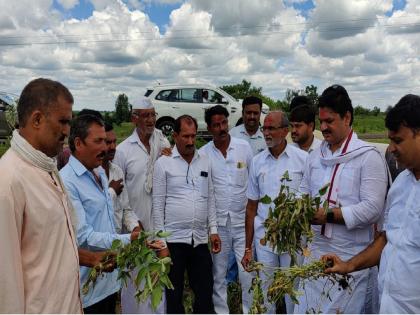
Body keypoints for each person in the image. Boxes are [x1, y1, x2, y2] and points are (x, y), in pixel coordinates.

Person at [293, 85, 388, 314]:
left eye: (330, 121)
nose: (323, 127)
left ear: (347, 117)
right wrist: (296, 210)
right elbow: (302, 192)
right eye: (321, 120)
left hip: (351, 257)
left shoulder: (368, 157)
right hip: (315, 253)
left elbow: (373, 208)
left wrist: (327, 216)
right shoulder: (316, 157)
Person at [322, 94, 420, 313]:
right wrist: (349, 265)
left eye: (398, 141)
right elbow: (387, 238)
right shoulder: (400, 184)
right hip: (389, 305)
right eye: (390, 139)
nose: (390, 148)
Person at [0, 78, 82, 313]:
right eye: (63, 122)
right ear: (37, 119)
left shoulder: (46, 167)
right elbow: (5, 285)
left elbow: (51, 250)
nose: (67, 131)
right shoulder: (9, 180)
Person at [60, 114, 140, 313]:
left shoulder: (100, 172)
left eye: (105, 141)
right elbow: (83, 237)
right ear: (78, 143)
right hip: (86, 288)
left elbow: (108, 220)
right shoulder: (67, 182)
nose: (105, 148)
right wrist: (129, 239)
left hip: (108, 280)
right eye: (99, 141)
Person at [153, 115, 221, 314]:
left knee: (204, 292)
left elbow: (210, 198)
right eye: (185, 136)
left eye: (193, 136)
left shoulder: (205, 162)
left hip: (199, 240)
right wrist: (161, 244)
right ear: (175, 136)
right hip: (173, 241)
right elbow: (157, 206)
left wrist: (214, 230)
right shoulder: (163, 164)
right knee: (174, 296)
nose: (191, 141)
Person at [241, 111, 308, 314]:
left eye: (271, 128)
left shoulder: (303, 160)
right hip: (265, 239)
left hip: (293, 240)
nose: (266, 133)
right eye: (265, 128)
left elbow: (309, 203)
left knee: (292, 292)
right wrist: (247, 248)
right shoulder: (257, 161)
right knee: (267, 290)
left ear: (285, 131)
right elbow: (251, 207)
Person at [113, 97, 170, 313]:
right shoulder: (123, 151)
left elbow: (169, 162)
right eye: (145, 115)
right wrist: (132, 226)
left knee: (158, 281)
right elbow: (119, 196)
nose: (151, 120)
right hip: (135, 229)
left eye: (153, 115)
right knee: (134, 286)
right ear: (134, 118)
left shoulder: (161, 141)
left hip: (159, 227)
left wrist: (168, 154)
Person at [199, 105, 254, 314]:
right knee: (218, 275)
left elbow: (252, 184)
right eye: (216, 125)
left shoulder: (243, 148)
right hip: (218, 225)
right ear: (209, 127)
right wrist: (212, 229)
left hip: (242, 223)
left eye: (223, 123)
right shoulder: (203, 154)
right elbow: (206, 191)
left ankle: (250, 310)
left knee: (247, 272)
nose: (221, 128)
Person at [102, 122, 139, 234]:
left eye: (114, 142)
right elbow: (97, 211)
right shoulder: (89, 175)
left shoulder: (117, 171)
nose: (113, 147)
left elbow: (126, 209)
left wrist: (135, 228)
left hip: (118, 244)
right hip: (98, 247)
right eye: (108, 142)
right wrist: (111, 191)